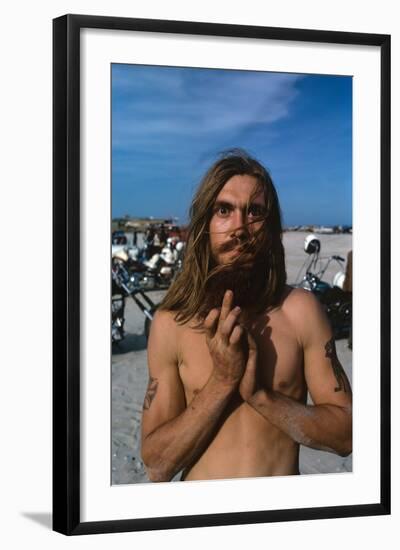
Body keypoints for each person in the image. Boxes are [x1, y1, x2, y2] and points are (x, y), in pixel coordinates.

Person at [141, 150, 352, 482]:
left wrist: (261, 396)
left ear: (269, 228)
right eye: (224, 210)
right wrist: (222, 381)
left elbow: (347, 435)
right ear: (204, 224)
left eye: (254, 212)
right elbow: (157, 464)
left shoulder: (301, 311)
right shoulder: (171, 322)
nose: (239, 227)